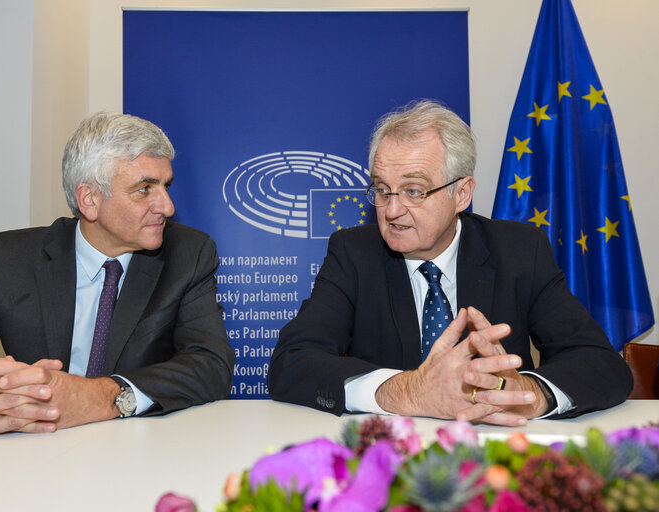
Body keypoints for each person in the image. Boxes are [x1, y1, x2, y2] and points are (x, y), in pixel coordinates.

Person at [268, 100, 632, 426]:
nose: (392, 210)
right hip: (389, 457)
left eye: (414, 190)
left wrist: (530, 395)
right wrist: (408, 391)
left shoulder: (520, 250)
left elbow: (600, 363)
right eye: (382, 190)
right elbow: (292, 363)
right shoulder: (353, 253)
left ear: (462, 193)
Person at [0, 111, 234, 436]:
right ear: (89, 200)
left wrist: (100, 396)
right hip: (32, 459)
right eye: (145, 189)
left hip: (141, 455)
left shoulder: (187, 254)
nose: (167, 206)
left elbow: (210, 366)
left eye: (166, 185)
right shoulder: (8, 260)